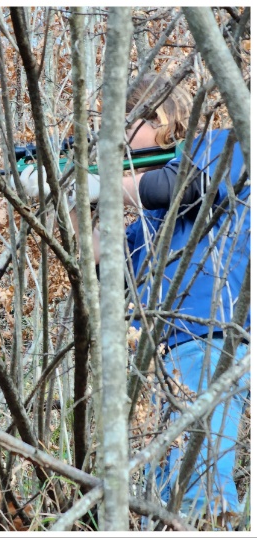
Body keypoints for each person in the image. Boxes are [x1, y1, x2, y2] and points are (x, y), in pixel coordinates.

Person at [121, 74, 250, 524]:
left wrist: (118, 185)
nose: (119, 142)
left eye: (125, 126)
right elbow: (109, 271)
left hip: (210, 339)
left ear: (157, 116)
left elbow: (180, 187)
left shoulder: (221, 143)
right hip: (162, 357)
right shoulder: (150, 219)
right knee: (161, 505)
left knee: (200, 496)